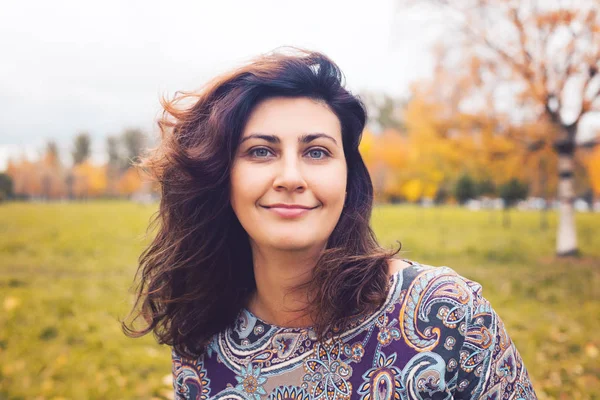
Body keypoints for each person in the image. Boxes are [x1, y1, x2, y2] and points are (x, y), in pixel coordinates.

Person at [122, 48, 537, 399]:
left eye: (317, 152)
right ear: (221, 176)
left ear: (347, 177)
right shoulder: (202, 337)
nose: (290, 177)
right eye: (261, 152)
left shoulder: (445, 314)